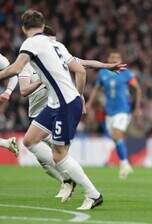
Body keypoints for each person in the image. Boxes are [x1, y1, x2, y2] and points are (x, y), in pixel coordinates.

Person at [0, 10, 102, 210]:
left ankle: (93, 194)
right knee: (29, 140)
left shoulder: (30, 43)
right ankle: (67, 179)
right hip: (57, 102)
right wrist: (79, 96)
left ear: (23, 28)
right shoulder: (57, 44)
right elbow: (80, 70)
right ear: (42, 24)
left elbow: (16, 68)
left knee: (59, 155)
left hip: (63, 104)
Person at [87, 52, 142, 179]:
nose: (114, 60)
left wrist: (137, 107)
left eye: (117, 58)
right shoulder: (102, 74)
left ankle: (124, 164)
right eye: (112, 58)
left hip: (123, 111)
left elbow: (137, 89)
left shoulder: (126, 74)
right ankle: (125, 163)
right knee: (116, 139)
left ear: (121, 60)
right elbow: (96, 89)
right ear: (108, 59)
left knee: (117, 134)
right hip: (109, 112)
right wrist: (89, 103)